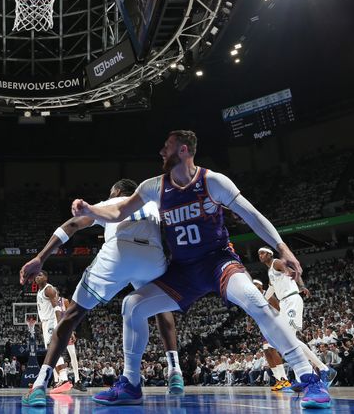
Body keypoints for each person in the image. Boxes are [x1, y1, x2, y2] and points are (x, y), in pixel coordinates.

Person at [71, 130, 330, 409]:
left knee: (257, 302)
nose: (161, 152)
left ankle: (308, 376)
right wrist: (91, 210)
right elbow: (119, 212)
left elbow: (252, 215)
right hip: (183, 270)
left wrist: (283, 248)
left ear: (184, 150)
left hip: (218, 262)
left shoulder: (213, 181)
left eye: (166, 147)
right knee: (132, 305)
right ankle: (131, 384)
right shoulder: (152, 187)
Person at [20, 179, 183, 408]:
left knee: (72, 315)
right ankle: (175, 370)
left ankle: (39, 385)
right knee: (160, 308)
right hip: (152, 256)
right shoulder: (152, 203)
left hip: (118, 253)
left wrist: (40, 257)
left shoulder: (111, 202)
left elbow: (73, 225)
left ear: (117, 191)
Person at [258, 247, 334, 388]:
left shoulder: (277, 263)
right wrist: (260, 301)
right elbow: (271, 289)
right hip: (284, 303)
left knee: (290, 339)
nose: (260, 255)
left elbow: (293, 272)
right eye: (259, 254)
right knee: (289, 341)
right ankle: (319, 371)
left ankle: (320, 371)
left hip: (292, 299)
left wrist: (302, 286)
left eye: (262, 253)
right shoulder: (270, 272)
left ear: (269, 254)